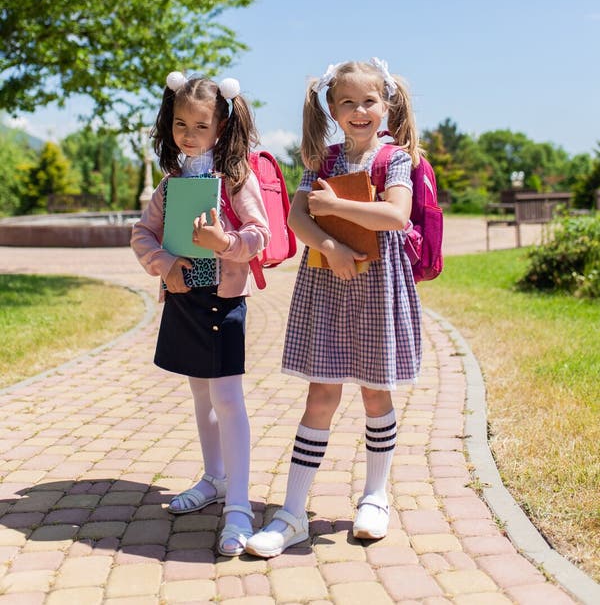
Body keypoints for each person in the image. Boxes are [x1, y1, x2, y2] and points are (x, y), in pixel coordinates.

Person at [245, 57, 422, 558]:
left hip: (378, 287)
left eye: (368, 101)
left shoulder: (396, 159)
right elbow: (298, 219)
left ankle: (375, 498)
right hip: (329, 283)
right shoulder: (322, 160)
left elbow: (396, 214)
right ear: (332, 108)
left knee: (374, 395)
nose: (359, 110)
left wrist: (336, 207)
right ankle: (293, 513)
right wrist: (335, 246)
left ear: (384, 105)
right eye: (348, 102)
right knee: (320, 396)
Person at [131, 72, 270, 557]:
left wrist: (225, 243)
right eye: (180, 124)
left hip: (223, 300)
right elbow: (141, 235)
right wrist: (164, 266)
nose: (190, 134)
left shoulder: (235, 177)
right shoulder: (170, 185)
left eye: (201, 126)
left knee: (227, 397)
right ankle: (213, 477)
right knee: (200, 394)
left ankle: (238, 505)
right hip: (184, 299)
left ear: (222, 126)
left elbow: (260, 233)